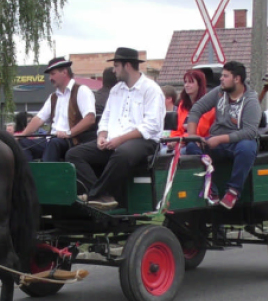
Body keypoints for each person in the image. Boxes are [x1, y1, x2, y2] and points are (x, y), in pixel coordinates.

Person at [65, 47, 165, 210]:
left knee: (122, 153)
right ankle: (103, 196)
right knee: (74, 154)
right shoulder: (116, 90)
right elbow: (105, 118)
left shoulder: (151, 89)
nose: (114, 70)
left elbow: (151, 126)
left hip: (143, 142)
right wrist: (101, 136)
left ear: (127, 66)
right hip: (115, 141)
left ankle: (95, 194)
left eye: (116, 65)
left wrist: (120, 140)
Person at [186, 61, 261, 209]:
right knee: (191, 147)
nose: (221, 79)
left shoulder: (251, 100)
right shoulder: (219, 92)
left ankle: (233, 191)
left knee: (247, 147)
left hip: (237, 143)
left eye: (225, 76)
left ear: (237, 79)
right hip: (217, 142)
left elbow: (250, 131)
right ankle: (211, 189)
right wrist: (193, 136)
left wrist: (220, 139)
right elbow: (196, 109)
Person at [17, 56, 97, 162]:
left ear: (64, 72)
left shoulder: (82, 91)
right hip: (52, 141)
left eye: (53, 74)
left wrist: (68, 133)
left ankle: (46, 176)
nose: (50, 78)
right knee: (22, 143)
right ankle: (30, 175)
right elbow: (39, 119)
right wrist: (23, 135)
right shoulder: (53, 97)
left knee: (54, 143)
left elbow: (90, 118)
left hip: (72, 141)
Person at [168, 70, 216, 152]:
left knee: (183, 152)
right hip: (181, 142)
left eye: (191, 82)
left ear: (199, 85)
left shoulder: (208, 104)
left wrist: (182, 139)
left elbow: (200, 130)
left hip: (201, 143)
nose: (187, 85)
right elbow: (177, 128)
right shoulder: (182, 104)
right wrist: (172, 141)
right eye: (185, 82)